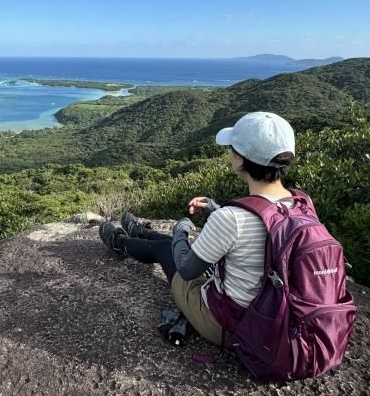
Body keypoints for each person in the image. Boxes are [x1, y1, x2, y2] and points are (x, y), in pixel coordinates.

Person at [98, 111, 298, 347]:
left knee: (167, 249)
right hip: (275, 318)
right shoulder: (300, 204)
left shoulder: (231, 218)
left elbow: (187, 270)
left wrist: (180, 230)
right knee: (175, 245)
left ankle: (119, 242)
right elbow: (258, 227)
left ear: (240, 160)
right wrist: (214, 209)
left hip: (228, 325)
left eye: (232, 149)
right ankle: (140, 233)